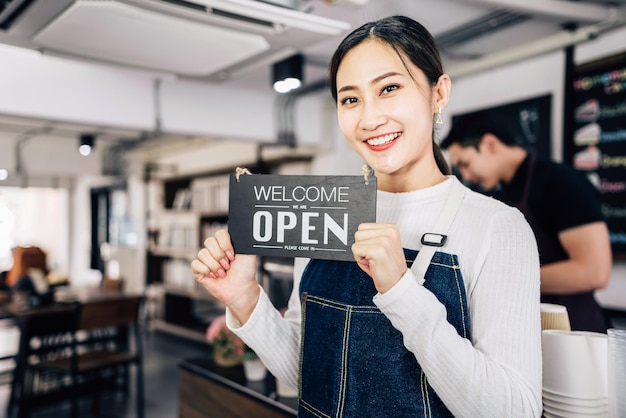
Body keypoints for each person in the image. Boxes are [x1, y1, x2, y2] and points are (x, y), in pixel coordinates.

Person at [192, 15, 542, 417]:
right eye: (350, 99)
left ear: (438, 93)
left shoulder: (497, 228)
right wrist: (245, 299)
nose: (370, 118)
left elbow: (516, 410)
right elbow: (308, 374)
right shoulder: (328, 212)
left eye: (389, 88)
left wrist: (402, 293)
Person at [441, 111, 612, 333]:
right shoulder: (502, 194)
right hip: (530, 327)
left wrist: (504, 277)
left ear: (490, 144)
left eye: (465, 164)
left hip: (576, 329)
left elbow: (594, 271)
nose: (466, 176)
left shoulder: (561, 182)